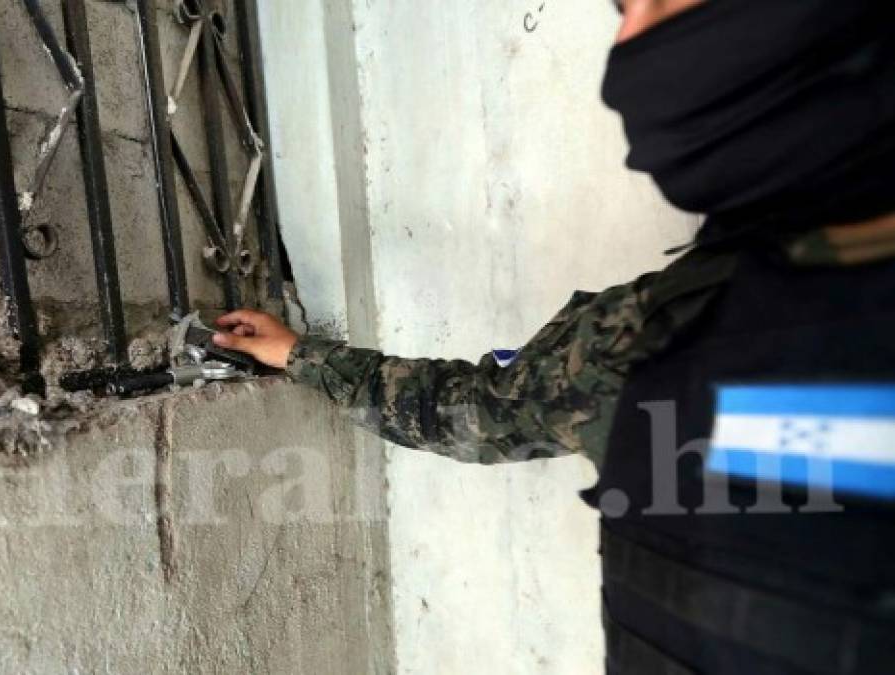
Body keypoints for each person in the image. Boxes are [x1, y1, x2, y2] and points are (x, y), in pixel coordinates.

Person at [216, 0, 895, 672]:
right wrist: (301, 355)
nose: (628, 45)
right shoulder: (652, 330)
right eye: (623, 9)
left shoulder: (661, 327)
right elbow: (476, 409)